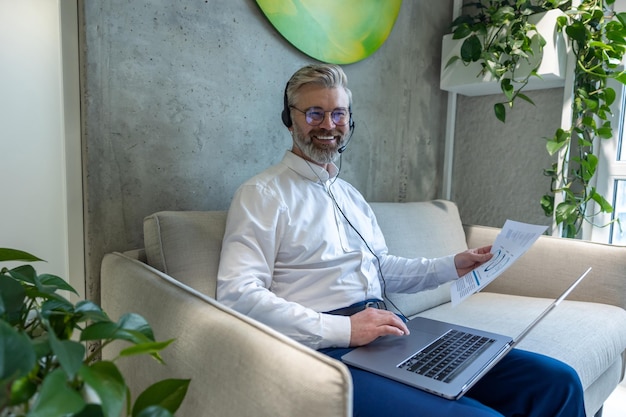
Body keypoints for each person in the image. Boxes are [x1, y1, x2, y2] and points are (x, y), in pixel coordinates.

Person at [216, 63, 585, 417]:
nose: (328, 125)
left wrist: (453, 264)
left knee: (557, 383)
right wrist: (345, 329)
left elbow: (382, 268)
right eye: (314, 113)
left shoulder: (350, 196)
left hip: (389, 332)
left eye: (339, 114)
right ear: (289, 118)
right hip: (325, 351)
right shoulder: (262, 194)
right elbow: (237, 296)